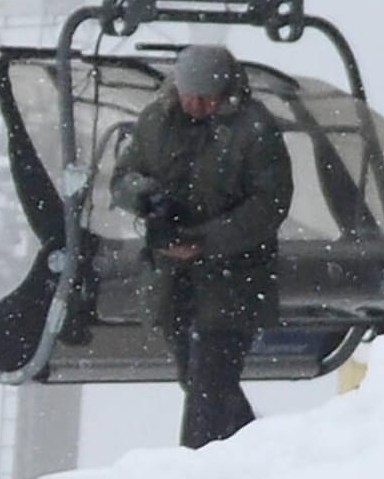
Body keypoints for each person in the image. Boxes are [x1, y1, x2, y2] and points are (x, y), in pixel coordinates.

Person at [111, 44, 293, 449]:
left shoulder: (254, 131)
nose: (196, 105)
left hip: (234, 281)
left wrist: (207, 240)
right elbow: (123, 177)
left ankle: (193, 471)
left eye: (206, 98)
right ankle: (259, 451)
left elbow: (270, 205)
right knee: (197, 379)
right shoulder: (156, 122)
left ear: (226, 91)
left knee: (208, 388)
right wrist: (147, 199)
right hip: (174, 281)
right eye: (189, 95)